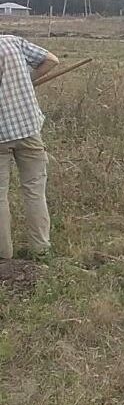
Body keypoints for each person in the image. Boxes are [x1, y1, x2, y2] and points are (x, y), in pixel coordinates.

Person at [0, 35, 58, 261]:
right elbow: (52, 60)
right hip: (28, 129)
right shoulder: (12, 42)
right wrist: (30, 80)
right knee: (34, 191)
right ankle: (41, 249)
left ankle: (3, 256)